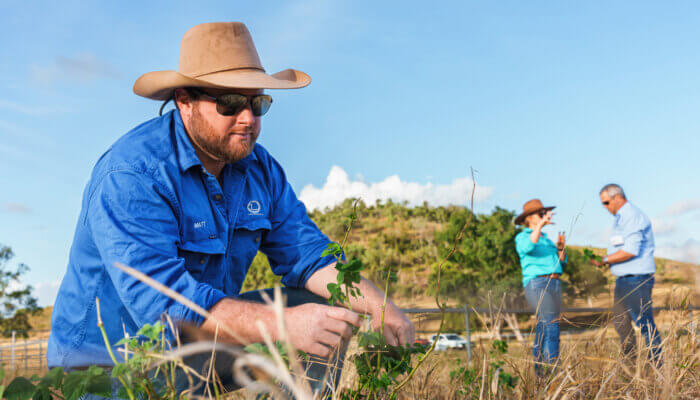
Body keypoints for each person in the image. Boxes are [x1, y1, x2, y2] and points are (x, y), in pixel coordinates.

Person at [47, 21, 414, 395]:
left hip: (197, 346)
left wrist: (379, 305)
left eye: (257, 103)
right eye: (230, 103)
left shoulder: (259, 169)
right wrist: (283, 325)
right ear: (184, 100)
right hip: (112, 367)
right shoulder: (132, 175)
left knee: (325, 310)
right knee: (291, 320)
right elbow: (165, 306)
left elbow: (309, 256)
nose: (248, 120)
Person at [592, 184, 662, 364]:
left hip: (636, 279)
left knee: (644, 323)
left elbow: (631, 250)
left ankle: (658, 367)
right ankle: (630, 367)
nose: (605, 207)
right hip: (624, 280)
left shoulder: (632, 216)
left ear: (617, 197)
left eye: (606, 202)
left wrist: (605, 260)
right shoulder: (620, 218)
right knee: (621, 323)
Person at [514, 199, 567, 376]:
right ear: (529, 218)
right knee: (551, 324)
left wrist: (560, 247)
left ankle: (540, 371)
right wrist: (541, 225)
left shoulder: (546, 239)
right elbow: (529, 247)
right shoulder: (523, 236)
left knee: (545, 326)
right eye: (541, 214)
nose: (544, 216)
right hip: (538, 283)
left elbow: (561, 262)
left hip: (555, 282)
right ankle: (551, 371)